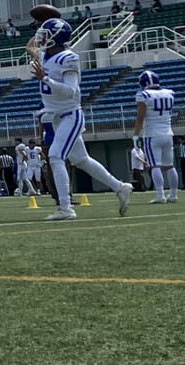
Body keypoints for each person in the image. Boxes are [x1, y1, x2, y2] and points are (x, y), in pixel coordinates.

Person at [30, 18, 132, 220]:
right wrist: (41, 23)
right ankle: (120, 187)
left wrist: (46, 79)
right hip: (57, 117)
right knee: (81, 159)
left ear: (57, 38)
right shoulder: (44, 55)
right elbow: (31, 47)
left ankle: (66, 208)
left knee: (56, 156)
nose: (41, 39)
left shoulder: (68, 58)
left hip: (70, 114)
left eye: (45, 35)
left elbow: (71, 91)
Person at [134, 71, 178, 204]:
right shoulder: (169, 93)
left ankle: (160, 194)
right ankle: (174, 194)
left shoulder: (144, 95)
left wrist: (136, 135)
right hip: (168, 133)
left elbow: (140, 119)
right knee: (169, 166)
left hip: (152, 134)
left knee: (155, 166)